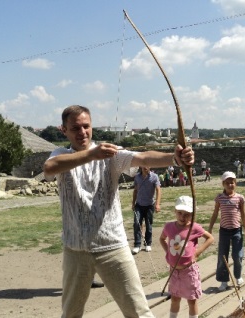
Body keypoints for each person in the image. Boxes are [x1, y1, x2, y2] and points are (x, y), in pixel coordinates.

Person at [43, 105, 195, 318]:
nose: (82, 132)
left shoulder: (110, 154)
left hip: (112, 246)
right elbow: (49, 168)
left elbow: (143, 158)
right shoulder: (62, 154)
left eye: (86, 126)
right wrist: (91, 155)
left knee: (138, 312)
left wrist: (175, 158)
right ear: (64, 131)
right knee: (70, 313)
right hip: (75, 249)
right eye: (75, 128)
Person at [159, 196, 214, 318]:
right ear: (175, 211)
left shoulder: (194, 228)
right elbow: (162, 239)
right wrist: (167, 251)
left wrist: (197, 253)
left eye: (187, 214)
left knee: (192, 300)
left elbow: (210, 238)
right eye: (179, 213)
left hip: (189, 271)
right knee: (175, 298)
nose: (182, 217)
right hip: (174, 271)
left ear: (192, 214)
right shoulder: (169, 227)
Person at [208, 171, 245, 291]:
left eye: (232, 182)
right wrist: (210, 228)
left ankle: (238, 276)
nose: (230, 185)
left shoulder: (239, 198)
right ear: (223, 184)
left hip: (236, 230)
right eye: (227, 183)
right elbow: (215, 213)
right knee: (222, 256)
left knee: (237, 255)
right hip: (224, 231)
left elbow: (243, 214)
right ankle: (224, 280)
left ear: (235, 183)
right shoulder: (220, 198)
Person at [132, 166, 161, 255]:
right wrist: (133, 203)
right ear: (140, 166)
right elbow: (135, 190)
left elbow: (158, 190)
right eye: (144, 165)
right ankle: (137, 245)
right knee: (137, 224)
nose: (146, 167)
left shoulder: (154, 176)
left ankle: (148, 243)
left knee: (149, 225)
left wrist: (157, 203)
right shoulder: (137, 177)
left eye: (148, 165)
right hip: (139, 205)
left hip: (149, 205)